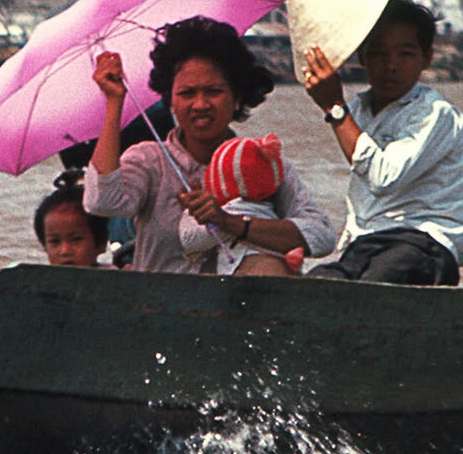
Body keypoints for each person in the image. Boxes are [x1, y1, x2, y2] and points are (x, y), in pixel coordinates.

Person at [85, 15, 334, 275]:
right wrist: (114, 102)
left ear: (237, 97)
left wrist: (230, 223)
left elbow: (321, 234)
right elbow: (103, 202)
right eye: (187, 93)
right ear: (170, 100)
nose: (200, 105)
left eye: (213, 91)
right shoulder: (149, 160)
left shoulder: (261, 160)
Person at [303, 0, 463, 285]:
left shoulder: (435, 114)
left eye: (405, 54)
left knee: (377, 284)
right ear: (362, 58)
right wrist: (340, 110)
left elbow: (384, 177)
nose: (391, 65)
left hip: (424, 245)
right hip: (365, 246)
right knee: (315, 284)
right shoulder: (357, 110)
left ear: (426, 58)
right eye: (378, 54)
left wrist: (334, 108)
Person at [178, 133, 306, 275]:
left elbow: (190, 240)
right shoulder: (271, 214)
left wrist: (190, 210)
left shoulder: (232, 212)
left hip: (250, 274)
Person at [34, 169, 109, 267]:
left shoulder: (117, 280)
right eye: (54, 241)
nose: (65, 251)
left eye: (76, 239)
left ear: (101, 243)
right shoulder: (37, 280)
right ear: (45, 246)